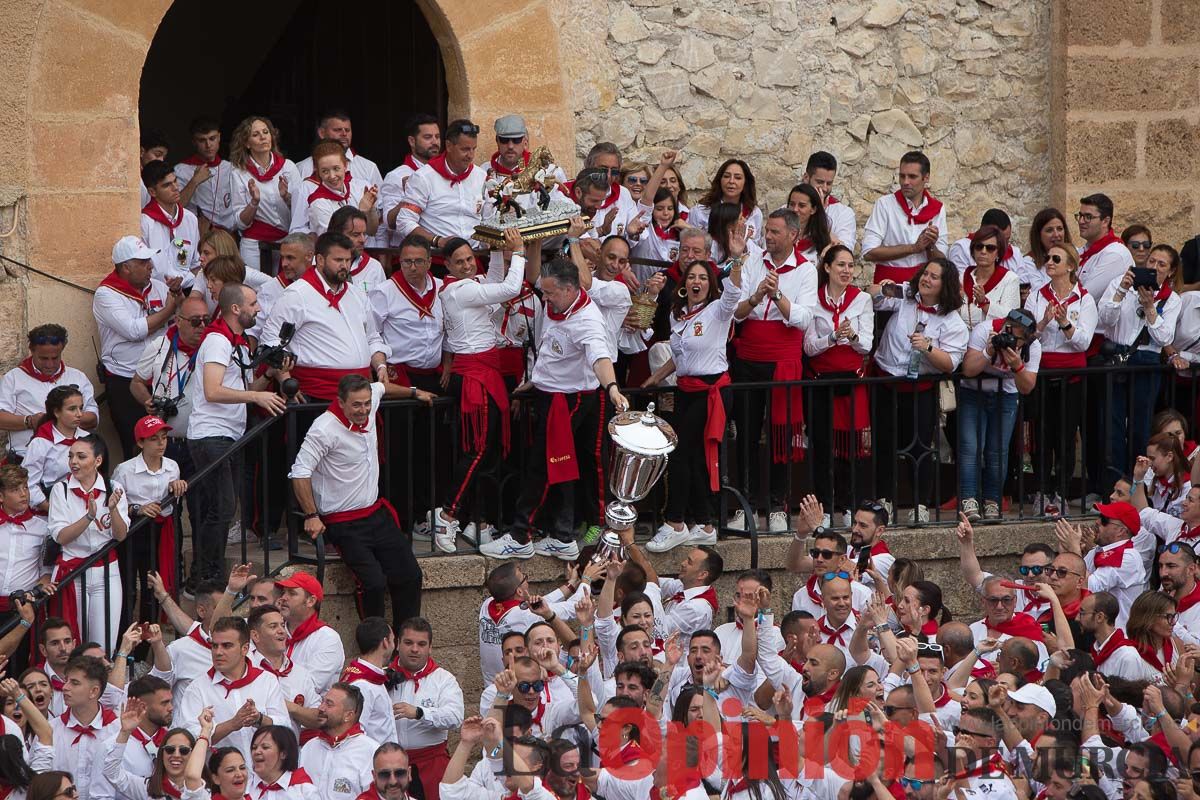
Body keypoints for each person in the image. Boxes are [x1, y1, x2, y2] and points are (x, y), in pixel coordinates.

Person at [481, 257, 628, 561]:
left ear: (570, 289)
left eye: (549, 294)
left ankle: (521, 534)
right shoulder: (557, 303)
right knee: (561, 466)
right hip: (550, 392)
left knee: (543, 466)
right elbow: (551, 350)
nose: (543, 299)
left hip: (568, 400)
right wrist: (535, 382)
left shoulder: (588, 320)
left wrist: (612, 388)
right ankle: (562, 536)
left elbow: (600, 358)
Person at [289, 373, 424, 630]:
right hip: (344, 522)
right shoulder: (323, 429)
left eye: (366, 404)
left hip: (376, 514)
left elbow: (382, 387)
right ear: (341, 402)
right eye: (356, 405)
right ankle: (376, 646)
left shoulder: (370, 398)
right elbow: (300, 472)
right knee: (372, 583)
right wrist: (311, 515)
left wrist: (415, 392)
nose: (363, 410)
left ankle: (405, 644)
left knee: (410, 574)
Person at [428, 232, 529, 552]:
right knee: (478, 451)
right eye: (460, 262)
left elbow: (495, 282)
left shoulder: (463, 288)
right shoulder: (461, 289)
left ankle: (474, 518)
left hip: (481, 372)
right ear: (447, 266)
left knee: (483, 452)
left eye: (471, 258)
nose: (468, 265)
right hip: (475, 376)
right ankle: (447, 514)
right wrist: (519, 251)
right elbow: (510, 288)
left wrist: (498, 250)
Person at [186, 283, 286, 589]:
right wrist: (257, 399)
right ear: (235, 309)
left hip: (228, 435)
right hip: (210, 435)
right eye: (253, 304)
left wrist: (267, 376)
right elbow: (214, 390)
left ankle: (206, 573)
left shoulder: (238, 343)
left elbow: (243, 392)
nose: (258, 309)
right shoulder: (218, 340)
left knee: (222, 507)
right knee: (223, 507)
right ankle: (206, 575)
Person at [641, 255, 743, 551]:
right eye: (691, 277)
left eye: (701, 277)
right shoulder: (678, 313)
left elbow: (734, 293)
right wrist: (655, 378)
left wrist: (735, 260)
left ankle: (675, 522)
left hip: (711, 389)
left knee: (682, 454)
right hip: (687, 388)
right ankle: (705, 522)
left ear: (710, 284)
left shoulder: (717, 310)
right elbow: (680, 356)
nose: (695, 282)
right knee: (694, 457)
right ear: (683, 284)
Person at [869, 258, 968, 522]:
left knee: (920, 447)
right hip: (886, 381)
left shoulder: (952, 321)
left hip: (920, 388)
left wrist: (928, 348)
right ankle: (884, 501)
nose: (926, 279)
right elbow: (873, 295)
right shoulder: (906, 296)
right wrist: (883, 287)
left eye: (934, 277)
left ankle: (920, 504)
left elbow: (950, 363)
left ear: (944, 285)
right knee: (884, 443)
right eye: (925, 273)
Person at [731, 210, 812, 531]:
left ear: (793, 235)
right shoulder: (752, 260)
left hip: (783, 359)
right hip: (749, 355)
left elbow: (803, 319)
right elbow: (736, 312)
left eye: (776, 231)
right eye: (767, 230)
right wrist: (756, 296)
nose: (769, 236)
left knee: (782, 434)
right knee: (746, 431)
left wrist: (776, 294)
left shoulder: (807, 270)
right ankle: (745, 506)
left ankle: (778, 504)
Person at [264, 232, 389, 404]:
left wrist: (380, 366)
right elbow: (271, 340)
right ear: (320, 260)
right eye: (338, 260)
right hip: (315, 395)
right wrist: (285, 380)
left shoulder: (357, 294)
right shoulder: (296, 295)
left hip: (359, 395)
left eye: (347, 260)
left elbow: (372, 337)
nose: (345, 265)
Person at [1021, 243, 1096, 518]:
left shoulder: (1084, 299)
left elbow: (1084, 342)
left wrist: (1065, 323)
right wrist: (1041, 324)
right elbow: (1027, 335)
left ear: (1070, 267)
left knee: (1065, 436)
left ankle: (1062, 492)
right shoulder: (1037, 297)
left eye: (1056, 259)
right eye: (1048, 258)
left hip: (1071, 376)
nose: (1049, 262)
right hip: (1041, 373)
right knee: (1041, 434)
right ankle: (1041, 490)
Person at [95, 236, 182, 459]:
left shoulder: (160, 288)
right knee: (136, 446)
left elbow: (177, 325)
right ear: (126, 267)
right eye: (143, 262)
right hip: (124, 379)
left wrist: (179, 300)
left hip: (161, 376)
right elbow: (134, 330)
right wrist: (170, 309)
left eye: (149, 261)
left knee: (167, 446)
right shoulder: (106, 294)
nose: (150, 266)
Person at [1099, 243, 1182, 472]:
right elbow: (1105, 319)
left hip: (1146, 361)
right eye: (1151, 261)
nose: (1154, 267)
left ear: (1171, 271)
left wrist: (1150, 307)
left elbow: (1165, 336)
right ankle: (1113, 482)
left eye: (1161, 264)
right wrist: (1122, 291)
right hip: (1117, 355)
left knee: (1140, 424)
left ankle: (1138, 481)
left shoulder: (1172, 299)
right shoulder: (1119, 283)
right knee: (1112, 424)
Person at [805, 246, 874, 520]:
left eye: (850, 265)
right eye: (841, 265)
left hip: (851, 382)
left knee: (853, 447)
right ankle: (823, 507)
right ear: (827, 268)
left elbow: (867, 346)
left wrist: (852, 336)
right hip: (821, 382)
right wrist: (832, 338)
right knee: (822, 447)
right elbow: (809, 347)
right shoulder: (812, 300)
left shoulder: (862, 300)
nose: (846, 270)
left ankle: (850, 506)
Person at [46, 435, 129, 650]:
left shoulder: (113, 487)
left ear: (98, 461)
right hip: (73, 572)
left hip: (106, 571)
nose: (74, 461)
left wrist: (112, 510)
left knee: (104, 645)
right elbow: (61, 536)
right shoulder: (60, 490)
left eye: (81, 456)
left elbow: (120, 535)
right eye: (71, 456)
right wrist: (88, 518)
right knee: (74, 643)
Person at [958, 308, 1041, 520]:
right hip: (973, 392)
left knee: (998, 451)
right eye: (1012, 333)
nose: (1014, 341)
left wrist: (1017, 366)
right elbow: (968, 369)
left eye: (1019, 339)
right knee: (970, 447)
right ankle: (969, 499)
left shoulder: (1033, 346)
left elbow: (1027, 387)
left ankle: (992, 501)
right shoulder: (985, 330)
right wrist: (988, 351)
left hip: (1006, 395)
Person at [177, 616, 289, 765]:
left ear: (245, 649)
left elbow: (286, 729)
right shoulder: (197, 688)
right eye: (214, 646)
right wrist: (232, 725)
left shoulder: (266, 681)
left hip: (263, 779)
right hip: (219, 781)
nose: (218, 652)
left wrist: (260, 719)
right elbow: (187, 740)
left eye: (226, 646)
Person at [111, 416, 187, 621]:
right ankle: (123, 635)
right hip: (134, 530)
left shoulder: (172, 466)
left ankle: (148, 635)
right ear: (140, 443)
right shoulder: (124, 470)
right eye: (154, 439)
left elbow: (174, 499)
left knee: (153, 585)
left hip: (162, 530)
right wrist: (138, 509)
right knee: (128, 587)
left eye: (163, 437)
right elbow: (114, 507)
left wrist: (175, 487)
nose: (161, 443)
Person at [386, 617, 464, 800]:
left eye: (421, 644)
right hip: (389, 768)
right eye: (408, 643)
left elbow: (455, 717)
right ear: (397, 644)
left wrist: (420, 713)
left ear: (430, 647)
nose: (414, 649)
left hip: (431, 764)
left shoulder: (444, 680)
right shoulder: (382, 677)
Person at [0, 324, 98, 462]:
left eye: (55, 358)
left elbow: (93, 419)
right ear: (32, 350)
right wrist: (29, 421)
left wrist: (62, 418)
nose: (50, 364)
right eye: (44, 358)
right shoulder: (13, 378)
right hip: (25, 457)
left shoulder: (77, 377)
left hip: (71, 460)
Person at [395, 119, 487, 254]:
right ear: (449, 146)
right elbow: (404, 221)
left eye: (474, 149)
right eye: (465, 149)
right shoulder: (424, 177)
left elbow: (490, 218)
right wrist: (438, 240)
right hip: (438, 258)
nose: (471, 155)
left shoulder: (481, 176)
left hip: (475, 258)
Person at [229, 115, 302, 272]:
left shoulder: (288, 167)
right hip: (254, 245)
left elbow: (302, 210)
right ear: (247, 143)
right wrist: (254, 202)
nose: (263, 137)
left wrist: (287, 197)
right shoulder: (239, 172)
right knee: (256, 292)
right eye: (256, 135)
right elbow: (239, 223)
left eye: (266, 132)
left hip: (286, 243)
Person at [861, 151, 947, 285]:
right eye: (902, 176)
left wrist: (930, 246)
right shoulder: (885, 204)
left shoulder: (937, 209)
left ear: (926, 177)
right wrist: (913, 248)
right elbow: (868, 252)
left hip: (923, 287)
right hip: (888, 285)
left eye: (912, 177)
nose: (906, 182)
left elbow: (942, 261)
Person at [1056, 501, 1146, 627]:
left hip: (1117, 636)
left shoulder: (1128, 557)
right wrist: (1065, 550)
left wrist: (1074, 549)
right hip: (1091, 629)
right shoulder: (1097, 551)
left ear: (1121, 531)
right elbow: (1072, 579)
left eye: (1104, 520)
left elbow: (1088, 587)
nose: (1097, 522)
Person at [0, 465, 53, 671]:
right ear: (1, 496)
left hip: (20, 609)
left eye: (25, 487)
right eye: (15, 489)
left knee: (18, 667)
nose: (23, 494)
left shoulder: (42, 528)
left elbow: (46, 573)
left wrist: (34, 592)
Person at [101, 701, 211, 800]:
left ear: (193, 755)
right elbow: (111, 772)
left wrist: (205, 731)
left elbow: (192, 776)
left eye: (184, 750)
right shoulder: (147, 787)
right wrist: (125, 732)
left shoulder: (202, 793)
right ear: (161, 754)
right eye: (170, 749)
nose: (176, 755)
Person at [246, 604, 320, 733]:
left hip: (289, 752)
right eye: (273, 626)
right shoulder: (244, 668)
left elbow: (319, 718)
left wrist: (291, 707)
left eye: (282, 625)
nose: (281, 631)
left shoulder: (300, 673)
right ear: (255, 636)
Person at [299, 683, 378, 799]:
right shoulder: (309, 747)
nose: (321, 708)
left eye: (329, 704)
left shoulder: (370, 751)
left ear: (348, 715)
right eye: (323, 702)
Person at [274, 572, 345, 696]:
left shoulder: (327, 639)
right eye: (283, 592)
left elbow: (307, 689)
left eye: (292, 593)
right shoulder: (273, 630)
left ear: (310, 601)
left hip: (308, 712)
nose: (283, 597)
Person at [292, 140, 380, 238]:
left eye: (336, 168)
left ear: (345, 166)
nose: (332, 176)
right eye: (325, 171)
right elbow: (337, 242)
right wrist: (361, 211)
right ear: (318, 172)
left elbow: (372, 231)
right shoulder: (318, 203)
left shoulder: (359, 189)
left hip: (360, 252)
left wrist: (369, 210)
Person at [380, 114, 440, 248]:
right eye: (427, 137)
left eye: (437, 136)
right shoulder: (396, 175)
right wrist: (409, 197)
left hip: (443, 250)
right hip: (410, 254)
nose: (435, 142)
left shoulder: (446, 173)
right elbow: (389, 223)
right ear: (412, 141)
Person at [22, 385, 86, 511]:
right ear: (56, 412)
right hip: (52, 506)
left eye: (81, 408)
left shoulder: (88, 438)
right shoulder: (41, 443)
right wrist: (51, 508)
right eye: (72, 409)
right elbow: (28, 483)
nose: (79, 414)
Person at [139, 160, 200, 288]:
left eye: (175, 181)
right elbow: (141, 267)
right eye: (167, 185)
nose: (176, 188)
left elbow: (196, 264)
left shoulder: (190, 219)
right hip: (156, 292)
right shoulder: (145, 222)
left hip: (187, 289)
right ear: (152, 192)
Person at [174, 115, 238, 235]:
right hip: (198, 235)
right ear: (194, 142)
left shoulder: (231, 168)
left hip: (229, 236)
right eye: (202, 140)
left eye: (212, 138)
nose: (208, 145)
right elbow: (173, 209)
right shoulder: (181, 170)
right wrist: (194, 182)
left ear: (219, 137)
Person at [957, 224, 1021, 331]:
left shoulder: (1010, 279)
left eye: (990, 248)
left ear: (998, 254)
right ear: (973, 250)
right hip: (962, 340)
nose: (983, 251)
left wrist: (985, 303)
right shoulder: (963, 277)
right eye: (979, 247)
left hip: (993, 341)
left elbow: (1012, 317)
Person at [689, 159, 763, 246]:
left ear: (745, 182)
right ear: (720, 180)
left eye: (738, 178)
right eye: (726, 176)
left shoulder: (754, 213)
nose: (731, 181)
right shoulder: (700, 211)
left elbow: (756, 246)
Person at [801, 151, 856, 249]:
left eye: (829, 183)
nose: (825, 188)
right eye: (820, 182)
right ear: (806, 178)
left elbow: (844, 252)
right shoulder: (789, 208)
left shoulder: (844, 213)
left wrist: (820, 215)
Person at [246, 726, 317, 800]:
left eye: (265, 747)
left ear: (283, 754)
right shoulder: (244, 788)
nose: (256, 752)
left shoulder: (304, 791)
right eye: (254, 748)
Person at [330, 206, 386, 292]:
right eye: (355, 235)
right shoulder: (319, 266)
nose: (363, 240)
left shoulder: (374, 267)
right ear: (337, 235)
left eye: (364, 234)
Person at [1020, 208, 1074, 292]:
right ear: (1038, 235)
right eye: (1049, 230)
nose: (1056, 234)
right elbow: (1038, 292)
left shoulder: (1076, 254)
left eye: (1059, 229)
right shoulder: (1029, 262)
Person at [784, 183, 833, 263]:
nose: (795, 209)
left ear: (813, 209)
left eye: (802, 205)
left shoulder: (823, 241)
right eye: (792, 204)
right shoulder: (778, 234)